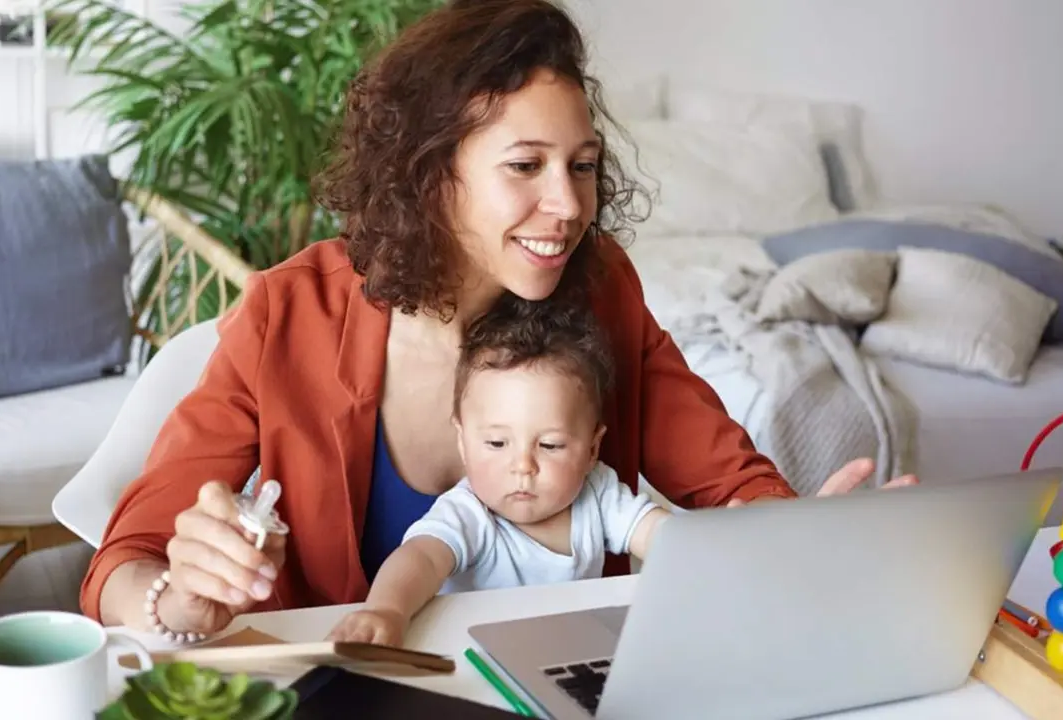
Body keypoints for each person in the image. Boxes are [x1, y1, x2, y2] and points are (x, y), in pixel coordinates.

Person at [81, 0, 916, 640]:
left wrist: (791, 530)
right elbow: (121, 567)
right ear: (430, 172)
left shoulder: (603, 292)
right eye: (525, 166)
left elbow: (730, 483)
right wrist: (178, 596)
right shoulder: (288, 312)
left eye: (583, 167)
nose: (568, 206)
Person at [329, 298, 670, 646]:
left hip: (565, 655)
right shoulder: (471, 513)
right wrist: (387, 610)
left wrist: (710, 556)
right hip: (473, 660)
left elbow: (661, 535)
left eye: (550, 445)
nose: (523, 466)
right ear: (463, 441)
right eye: (496, 443)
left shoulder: (598, 494)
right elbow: (422, 559)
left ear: (592, 449)